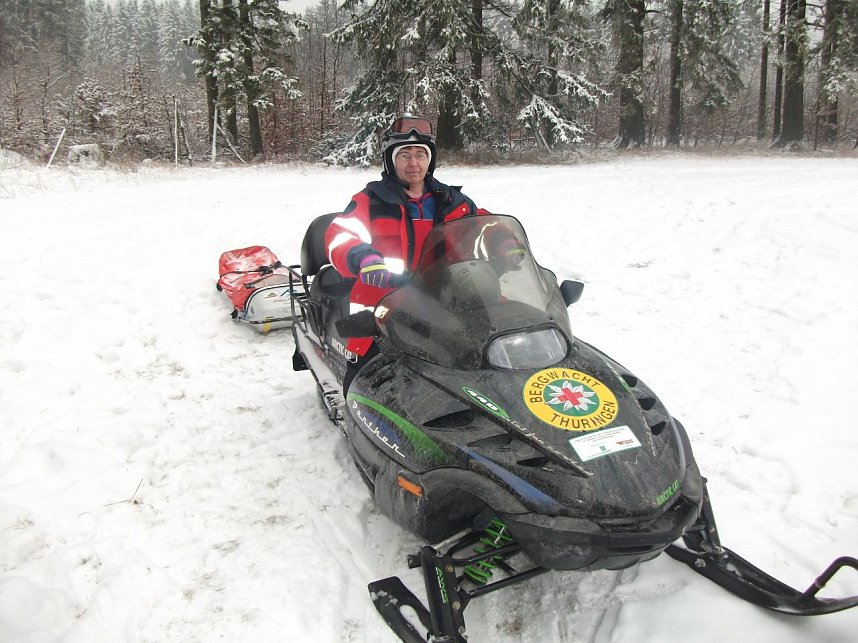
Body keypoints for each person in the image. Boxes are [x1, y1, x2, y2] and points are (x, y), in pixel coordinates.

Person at [325, 115, 526, 363]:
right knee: (368, 373)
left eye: (420, 155)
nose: (413, 163)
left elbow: (485, 224)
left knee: (501, 341)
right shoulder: (371, 201)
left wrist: (505, 242)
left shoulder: (451, 201)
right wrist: (364, 258)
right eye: (404, 155)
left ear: (430, 160)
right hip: (385, 301)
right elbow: (341, 235)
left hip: (446, 297)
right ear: (391, 160)